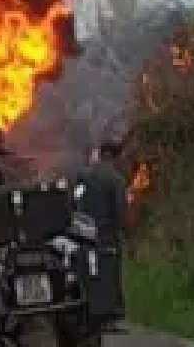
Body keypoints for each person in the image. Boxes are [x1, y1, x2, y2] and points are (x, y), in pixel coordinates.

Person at [76, 133, 129, 328]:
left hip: (83, 234)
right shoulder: (116, 179)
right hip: (107, 235)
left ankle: (87, 312)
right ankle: (109, 314)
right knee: (110, 273)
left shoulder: (83, 175)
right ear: (113, 156)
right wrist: (124, 232)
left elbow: (75, 202)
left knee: (88, 274)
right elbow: (120, 210)